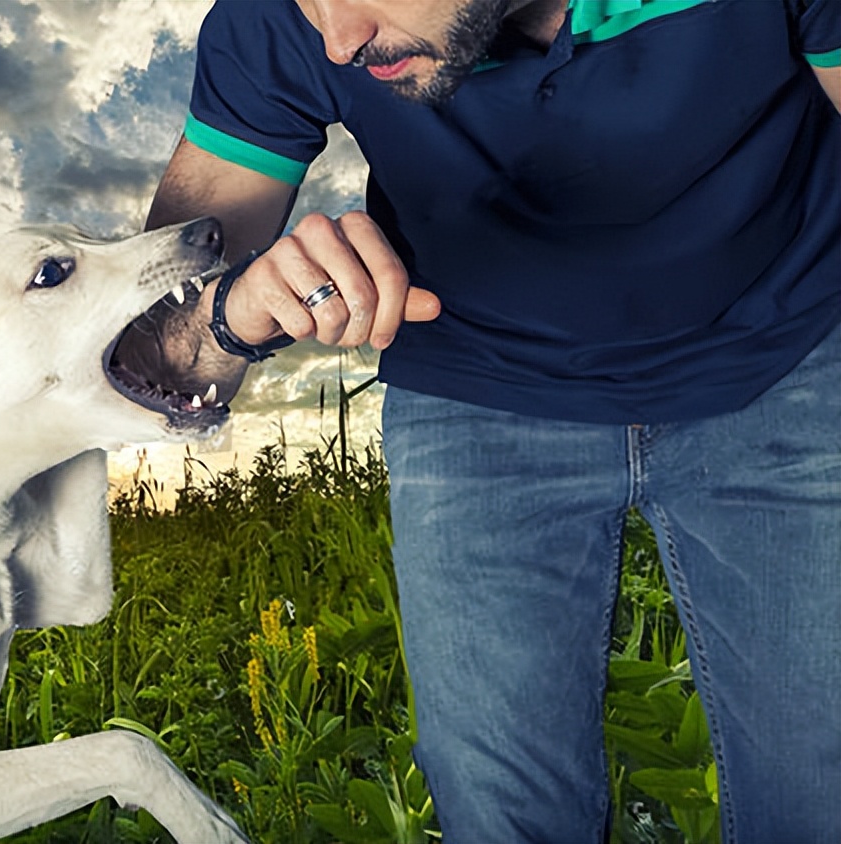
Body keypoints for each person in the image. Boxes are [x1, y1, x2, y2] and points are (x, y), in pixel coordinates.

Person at [128, 0, 841, 840]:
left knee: (819, 792)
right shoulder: (282, 23)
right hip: (476, 394)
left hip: (786, 355)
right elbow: (153, 350)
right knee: (502, 814)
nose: (338, 41)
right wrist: (231, 313)